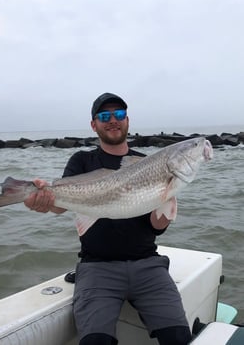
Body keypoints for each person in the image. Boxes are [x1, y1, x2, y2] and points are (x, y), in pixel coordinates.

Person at [24, 93, 192, 345]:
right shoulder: (82, 160)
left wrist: (167, 197)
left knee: (179, 338)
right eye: (105, 116)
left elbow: (156, 227)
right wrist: (44, 201)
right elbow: (61, 205)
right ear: (94, 125)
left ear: (127, 121)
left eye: (119, 115)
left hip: (148, 266)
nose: (113, 120)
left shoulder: (148, 163)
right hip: (97, 268)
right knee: (95, 342)